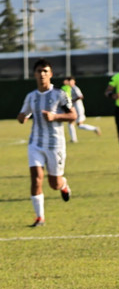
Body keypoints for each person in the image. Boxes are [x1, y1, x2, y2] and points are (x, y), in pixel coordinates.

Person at [17, 59, 77, 227]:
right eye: (39, 71)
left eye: (45, 71)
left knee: (54, 183)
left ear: (50, 74)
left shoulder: (59, 94)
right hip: (35, 143)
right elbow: (23, 116)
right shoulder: (31, 97)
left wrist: (55, 117)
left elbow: (73, 116)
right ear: (34, 74)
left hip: (55, 144)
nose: (42, 74)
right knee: (36, 179)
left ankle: (63, 184)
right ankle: (40, 217)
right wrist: (22, 118)